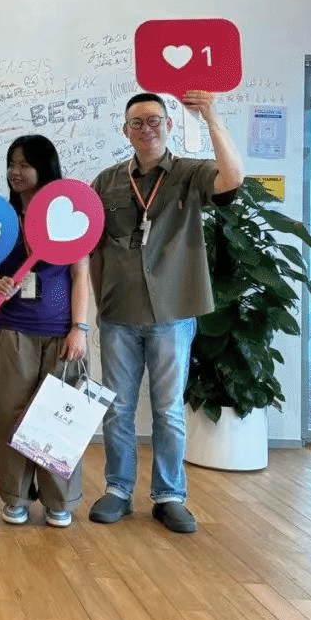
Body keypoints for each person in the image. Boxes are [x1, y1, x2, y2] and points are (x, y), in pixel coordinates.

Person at [88, 91, 243, 533]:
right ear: (125, 131)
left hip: (172, 313)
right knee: (117, 408)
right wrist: (100, 301)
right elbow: (91, 248)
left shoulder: (190, 174)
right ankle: (118, 490)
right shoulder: (106, 182)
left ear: (169, 126)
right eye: (137, 122)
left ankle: (169, 495)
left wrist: (212, 117)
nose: (147, 128)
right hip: (118, 313)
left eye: (154, 120)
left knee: (169, 409)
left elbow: (232, 179)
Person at [0, 136, 90, 528]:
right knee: (11, 415)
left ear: (44, 168)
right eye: (12, 164)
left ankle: (59, 500)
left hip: (61, 334)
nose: (16, 172)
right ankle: (15, 496)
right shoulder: (3, 217)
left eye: (25, 164)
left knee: (57, 417)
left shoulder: (68, 215)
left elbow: (80, 275)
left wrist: (79, 328)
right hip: (14, 330)